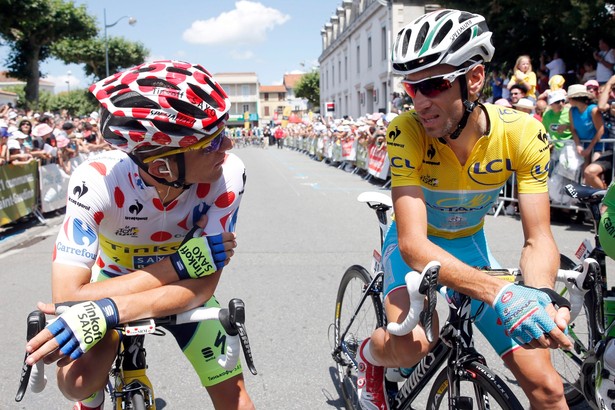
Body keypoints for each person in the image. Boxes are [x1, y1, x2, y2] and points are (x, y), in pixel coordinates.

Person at [357, 9, 572, 410]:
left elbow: (539, 237)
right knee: (413, 346)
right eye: (412, 87)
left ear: (473, 78)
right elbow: (413, 245)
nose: (420, 102)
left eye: (434, 84)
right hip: (414, 254)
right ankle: (367, 358)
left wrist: (541, 293)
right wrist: (501, 293)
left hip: (470, 247)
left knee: (548, 388)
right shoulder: (406, 131)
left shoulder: (524, 133)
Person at [23, 60, 255, 410]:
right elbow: (68, 296)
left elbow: (203, 287)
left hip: (172, 291)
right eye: (212, 143)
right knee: (77, 384)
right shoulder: (97, 181)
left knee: (235, 400)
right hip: (139, 278)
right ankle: (92, 400)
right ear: (162, 165)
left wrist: (108, 308)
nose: (229, 146)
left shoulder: (227, 176)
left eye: (223, 131)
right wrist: (177, 264)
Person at [568, 83, 605, 165]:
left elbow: (601, 130)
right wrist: (578, 144)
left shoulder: (593, 110)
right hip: (583, 144)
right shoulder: (572, 111)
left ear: (575, 98)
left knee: (592, 169)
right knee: (584, 172)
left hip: (598, 144)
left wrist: (589, 148)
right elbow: (573, 129)